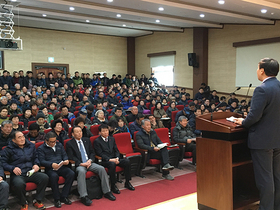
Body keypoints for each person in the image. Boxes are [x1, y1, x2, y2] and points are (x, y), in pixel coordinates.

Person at [234, 58, 280, 210]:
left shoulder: (262, 89)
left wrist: (243, 122)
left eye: (257, 68)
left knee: (265, 179)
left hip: (262, 141)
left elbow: (254, 116)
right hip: (277, 139)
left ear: (262, 70)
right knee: (276, 177)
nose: (256, 71)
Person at [66, 126, 116, 206]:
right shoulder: (69, 143)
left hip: (89, 162)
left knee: (101, 169)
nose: (79, 133)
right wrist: (81, 163)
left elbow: (92, 153)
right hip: (80, 164)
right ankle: (84, 196)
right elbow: (71, 157)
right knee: (81, 172)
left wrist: (90, 160)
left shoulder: (86, 140)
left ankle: (107, 191)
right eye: (77, 132)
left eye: (80, 131)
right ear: (72, 134)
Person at [1, 131, 49, 210]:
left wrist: (36, 164)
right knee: (19, 184)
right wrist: (12, 168)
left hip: (30, 172)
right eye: (19, 137)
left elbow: (36, 157)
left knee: (44, 177)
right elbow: (3, 163)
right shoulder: (8, 149)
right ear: (13, 140)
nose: (22, 139)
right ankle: (23, 202)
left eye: (23, 136)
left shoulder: (31, 146)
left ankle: (37, 200)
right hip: (18, 174)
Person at [94, 124, 135, 194]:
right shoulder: (97, 141)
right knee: (112, 165)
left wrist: (117, 158)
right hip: (105, 161)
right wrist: (110, 160)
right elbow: (100, 154)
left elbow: (116, 150)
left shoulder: (111, 138)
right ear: (100, 132)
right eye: (103, 131)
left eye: (106, 130)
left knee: (127, 161)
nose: (105, 132)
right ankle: (113, 185)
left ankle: (127, 182)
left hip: (114, 159)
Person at [37, 132, 75, 208]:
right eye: (51, 142)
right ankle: (56, 198)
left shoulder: (59, 145)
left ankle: (64, 196)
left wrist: (66, 160)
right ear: (46, 141)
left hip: (61, 166)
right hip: (50, 168)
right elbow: (41, 161)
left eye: (55, 141)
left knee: (71, 173)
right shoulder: (41, 148)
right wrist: (51, 164)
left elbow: (64, 155)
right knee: (54, 177)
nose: (54, 143)